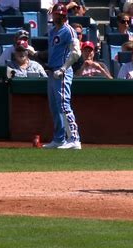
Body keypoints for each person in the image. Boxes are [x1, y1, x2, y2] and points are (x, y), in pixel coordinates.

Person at [42, 3, 82, 149]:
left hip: (62, 73)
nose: (57, 16)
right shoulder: (53, 31)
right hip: (52, 72)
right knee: (54, 107)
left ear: (64, 15)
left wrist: (64, 68)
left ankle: (75, 139)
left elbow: (76, 53)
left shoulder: (69, 31)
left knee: (64, 105)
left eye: (59, 14)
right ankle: (59, 139)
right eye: (56, 14)